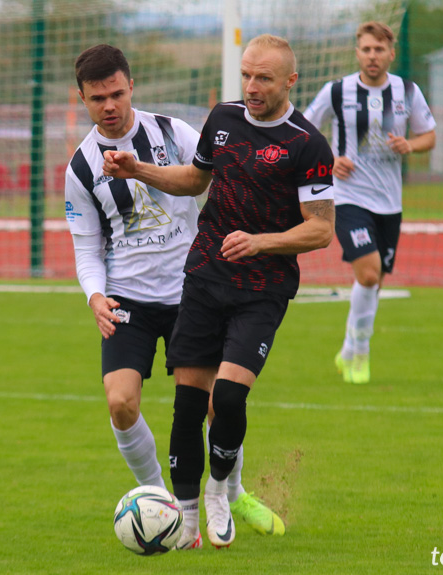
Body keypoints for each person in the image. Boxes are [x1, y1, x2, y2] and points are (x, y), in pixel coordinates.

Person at [102, 34, 335, 548]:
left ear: (290, 82)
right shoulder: (223, 119)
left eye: (264, 79)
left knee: (228, 397)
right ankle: (184, 518)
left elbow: (320, 229)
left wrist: (261, 242)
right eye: (247, 75)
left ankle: (218, 490)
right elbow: (194, 179)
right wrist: (137, 167)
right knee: (188, 404)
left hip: (264, 286)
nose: (251, 87)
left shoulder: (307, 144)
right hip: (206, 275)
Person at [65, 44, 284, 551]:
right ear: (82, 98)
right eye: (98, 98)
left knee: (214, 407)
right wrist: (95, 296)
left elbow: (213, 179)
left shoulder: (173, 133)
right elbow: (86, 248)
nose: (110, 105)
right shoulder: (80, 168)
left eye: (117, 93)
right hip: (127, 300)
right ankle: (163, 502)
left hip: (193, 290)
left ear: (131, 86)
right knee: (120, 402)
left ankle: (234, 492)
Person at [304, 21, 437, 385]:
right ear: (358, 52)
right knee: (368, 272)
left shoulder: (408, 92)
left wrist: (411, 145)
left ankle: (348, 348)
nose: (372, 56)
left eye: (379, 49)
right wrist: (330, 158)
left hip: (389, 202)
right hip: (347, 197)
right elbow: (303, 131)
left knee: (374, 282)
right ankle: (361, 352)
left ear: (391, 53)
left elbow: (429, 135)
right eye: (366, 49)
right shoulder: (337, 91)